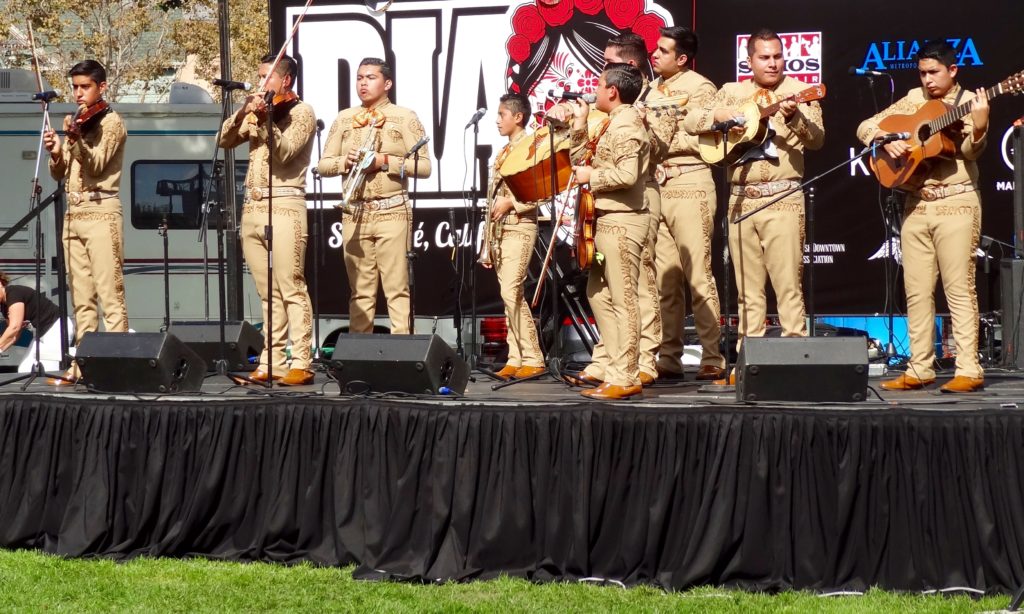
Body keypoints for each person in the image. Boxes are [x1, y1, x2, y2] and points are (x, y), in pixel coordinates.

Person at [685, 29, 825, 383]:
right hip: (741, 198)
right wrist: (725, 115)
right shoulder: (732, 91)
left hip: (782, 197)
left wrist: (794, 118)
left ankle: (796, 365)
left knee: (788, 287)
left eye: (778, 56)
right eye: (765, 57)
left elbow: (818, 139)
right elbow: (691, 121)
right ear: (750, 61)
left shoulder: (800, 90)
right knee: (748, 292)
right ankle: (750, 366)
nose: (773, 63)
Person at [857, 40, 988, 393]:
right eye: (922, 73)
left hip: (956, 203)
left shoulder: (969, 101)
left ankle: (969, 368)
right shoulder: (914, 98)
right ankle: (919, 368)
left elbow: (970, 152)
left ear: (953, 70)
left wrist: (979, 126)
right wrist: (884, 139)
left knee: (959, 289)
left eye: (934, 72)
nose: (928, 80)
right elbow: (865, 126)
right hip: (915, 204)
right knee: (916, 292)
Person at [219, 53, 316, 386]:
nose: (261, 82)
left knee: (292, 287)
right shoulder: (259, 110)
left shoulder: (301, 112)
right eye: (259, 75)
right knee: (267, 292)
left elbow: (285, 152)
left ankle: (302, 361)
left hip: (285, 204)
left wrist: (265, 120)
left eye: (267, 76)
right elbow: (224, 140)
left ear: (285, 80)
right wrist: (244, 112)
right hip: (253, 207)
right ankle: (272, 360)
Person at [318, 57, 432, 335]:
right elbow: (322, 165)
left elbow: (425, 167)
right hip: (355, 212)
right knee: (360, 291)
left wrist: (384, 161)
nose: (363, 83)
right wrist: (345, 162)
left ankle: (402, 348)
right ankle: (359, 352)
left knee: (397, 289)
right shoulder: (344, 118)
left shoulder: (405, 116)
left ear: (387, 83)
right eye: (359, 78)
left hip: (392, 211)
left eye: (370, 77)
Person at [568, 62, 651, 400]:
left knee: (623, 298)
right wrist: (578, 124)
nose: (595, 91)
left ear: (612, 91)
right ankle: (614, 367)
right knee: (598, 294)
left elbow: (627, 176)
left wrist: (593, 177)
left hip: (624, 220)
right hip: (603, 220)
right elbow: (579, 160)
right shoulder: (609, 122)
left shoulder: (627, 124)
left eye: (599, 86)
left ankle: (626, 375)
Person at [648, 25, 726, 381]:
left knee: (698, 274)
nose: (655, 54)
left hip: (690, 181)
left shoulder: (701, 87)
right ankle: (669, 356)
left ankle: (712, 355)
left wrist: (666, 134)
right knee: (665, 279)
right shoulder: (650, 89)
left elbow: (707, 136)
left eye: (663, 50)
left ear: (682, 58)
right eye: (656, 48)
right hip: (657, 185)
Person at [43, 59, 128, 386]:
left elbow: (96, 164)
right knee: (81, 298)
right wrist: (56, 151)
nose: (78, 93)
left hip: (102, 210)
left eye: (85, 87)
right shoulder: (78, 119)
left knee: (110, 295)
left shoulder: (111, 122)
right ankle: (82, 365)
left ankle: (117, 366)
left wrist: (76, 140)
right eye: (75, 87)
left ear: (101, 87)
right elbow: (60, 172)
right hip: (74, 213)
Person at [482, 93, 545, 380]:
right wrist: (487, 240)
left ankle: (533, 357)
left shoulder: (533, 147)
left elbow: (543, 191)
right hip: (499, 230)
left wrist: (512, 203)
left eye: (502, 114)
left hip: (520, 225)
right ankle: (516, 356)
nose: (497, 120)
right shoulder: (503, 151)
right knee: (510, 296)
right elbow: (491, 198)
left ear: (518, 117)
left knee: (511, 290)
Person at [0, 271, 72, 373]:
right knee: (24, 370)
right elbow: (14, 335)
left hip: (57, 327)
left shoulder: (13, 292)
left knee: (49, 370)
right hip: (42, 333)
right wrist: (1, 349)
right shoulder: (4, 307)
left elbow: (14, 327)